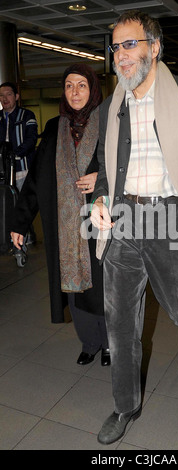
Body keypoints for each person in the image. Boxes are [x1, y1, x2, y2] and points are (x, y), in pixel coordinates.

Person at [90, 10, 178, 445]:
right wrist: (101, 201)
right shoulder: (114, 105)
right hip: (126, 220)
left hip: (171, 217)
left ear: (154, 47)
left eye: (130, 45)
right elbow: (108, 171)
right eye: (115, 48)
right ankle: (125, 405)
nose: (120, 56)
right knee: (120, 322)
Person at [11, 63, 110, 367]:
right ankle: (89, 342)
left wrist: (101, 178)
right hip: (65, 224)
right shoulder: (55, 127)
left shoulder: (109, 123)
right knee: (74, 288)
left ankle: (109, 343)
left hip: (101, 220)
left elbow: (128, 166)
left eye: (81, 85)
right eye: (69, 85)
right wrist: (20, 222)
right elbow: (37, 177)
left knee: (104, 285)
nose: (75, 92)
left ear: (92, 89)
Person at [0, 81, 38, 246]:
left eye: (8, 94)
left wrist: (16, 154)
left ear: (16, 96)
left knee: (23, 205)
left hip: (22, 168)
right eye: (1, 95)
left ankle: (27, 236)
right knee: (7, 205)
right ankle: (9, 237)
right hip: (3, 172)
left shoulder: (27, 115)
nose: (5, 98)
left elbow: (31, 139)